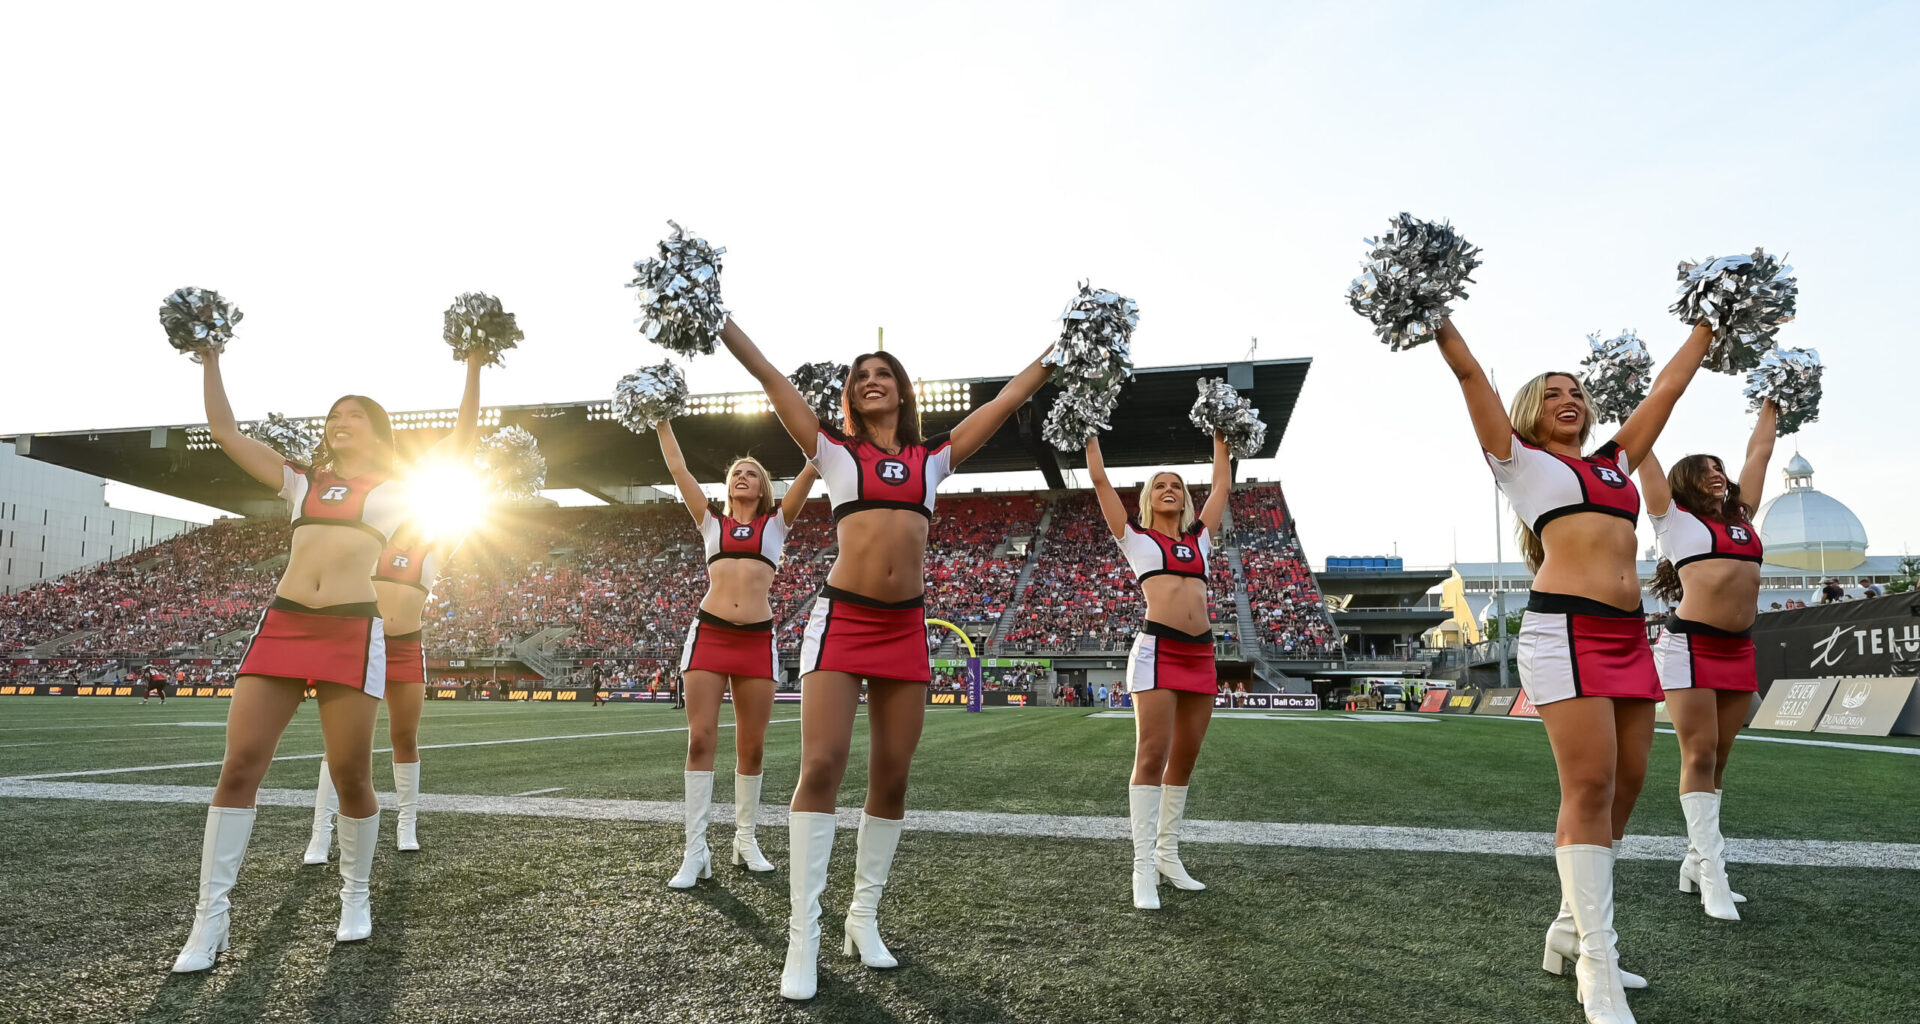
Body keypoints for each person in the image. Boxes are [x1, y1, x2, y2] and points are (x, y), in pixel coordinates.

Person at [718, 317, 1054, 1000]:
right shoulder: (834, 451)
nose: (872, 382)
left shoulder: (935, 459)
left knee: (892, 780)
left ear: (901, 392)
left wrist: (1056, 358)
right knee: (820, 765)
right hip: (842, 619)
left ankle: (862, 918)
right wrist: (719, 318)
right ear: (851, 396)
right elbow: (770, 377)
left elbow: (1003, 403)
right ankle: (803, 937)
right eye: (860, 377)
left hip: (905, 627)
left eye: (883, 375)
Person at [1438, 314, 1712, 1024]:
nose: (1571, 398)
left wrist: (1711, 324)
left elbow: (1669, 389)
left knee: (1625, 790)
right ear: (1533, 407)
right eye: (1555, 391)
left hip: (1627, 636)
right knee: (1588, 785)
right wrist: (1437, 317)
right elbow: (1470, 375)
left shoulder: (1615, 462)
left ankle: (1568, 930)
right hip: (1563, 631)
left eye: (1579, 391)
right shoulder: (1518, 459)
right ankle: (1598, 964)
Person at [172, 346, 421, 973]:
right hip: (282, 625)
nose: (340, 420)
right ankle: (210, 922)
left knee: (351, 776)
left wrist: (473, 363)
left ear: (377, 430)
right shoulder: (303, 482)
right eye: (334, 413)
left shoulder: (393, 493)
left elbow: (465, 446)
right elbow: (226, 433)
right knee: (239, 768)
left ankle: (356, 895)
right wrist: (210, 358)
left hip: (350, 631)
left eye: (355, 414)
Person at [302, 351, 486, 863]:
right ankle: (320, 831)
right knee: (340, 747)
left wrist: (473, 372)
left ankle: (407, 821)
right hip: (360, 642)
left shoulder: (435, 546)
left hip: (405, 647)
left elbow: (460, 456)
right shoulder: (366, 532)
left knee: (405, 735)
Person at [655, 416, 818, 887]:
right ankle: (695, 850)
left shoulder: (778, 521)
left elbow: (814, 461)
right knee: (701, 739)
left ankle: (745, 840)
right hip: (709, 633)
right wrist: (662, 421)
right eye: (735, 473)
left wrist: (828, 423)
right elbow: (679, 469)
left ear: (764, 486)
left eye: (751, 472)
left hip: (757, 639)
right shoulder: (711, 520)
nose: (741, 476)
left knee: (752, 744)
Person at [1641, 399, 1776, 922]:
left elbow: (1760, 452)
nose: (1718, 475)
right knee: (1698, 756)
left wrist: (1772, 404)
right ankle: (1715, 874)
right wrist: (1637, 399)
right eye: (1706, 470)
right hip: (1689, 647)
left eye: (1719, 467)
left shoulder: (1744, 518)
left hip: (1739, 648)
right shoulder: (1671, 519)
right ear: (1686, 481)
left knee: (1719, 761)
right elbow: (1643, 448)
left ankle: (1696, 862)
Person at [1085, 431, 1230, 909]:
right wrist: (1089, 434)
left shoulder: (1200, 539)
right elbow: (1102, 481)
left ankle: (1169, 855)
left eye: (1178, 485)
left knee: (1184, 760)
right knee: (1151, 756)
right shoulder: (1135, 538)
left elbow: (1223, 487)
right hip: (1157, 651)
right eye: (1160, 484)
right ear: (1149, 497)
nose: (1170, 489)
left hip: (1201, 653)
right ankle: (1142, 867)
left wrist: (1221, 437)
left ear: (1186, 499)